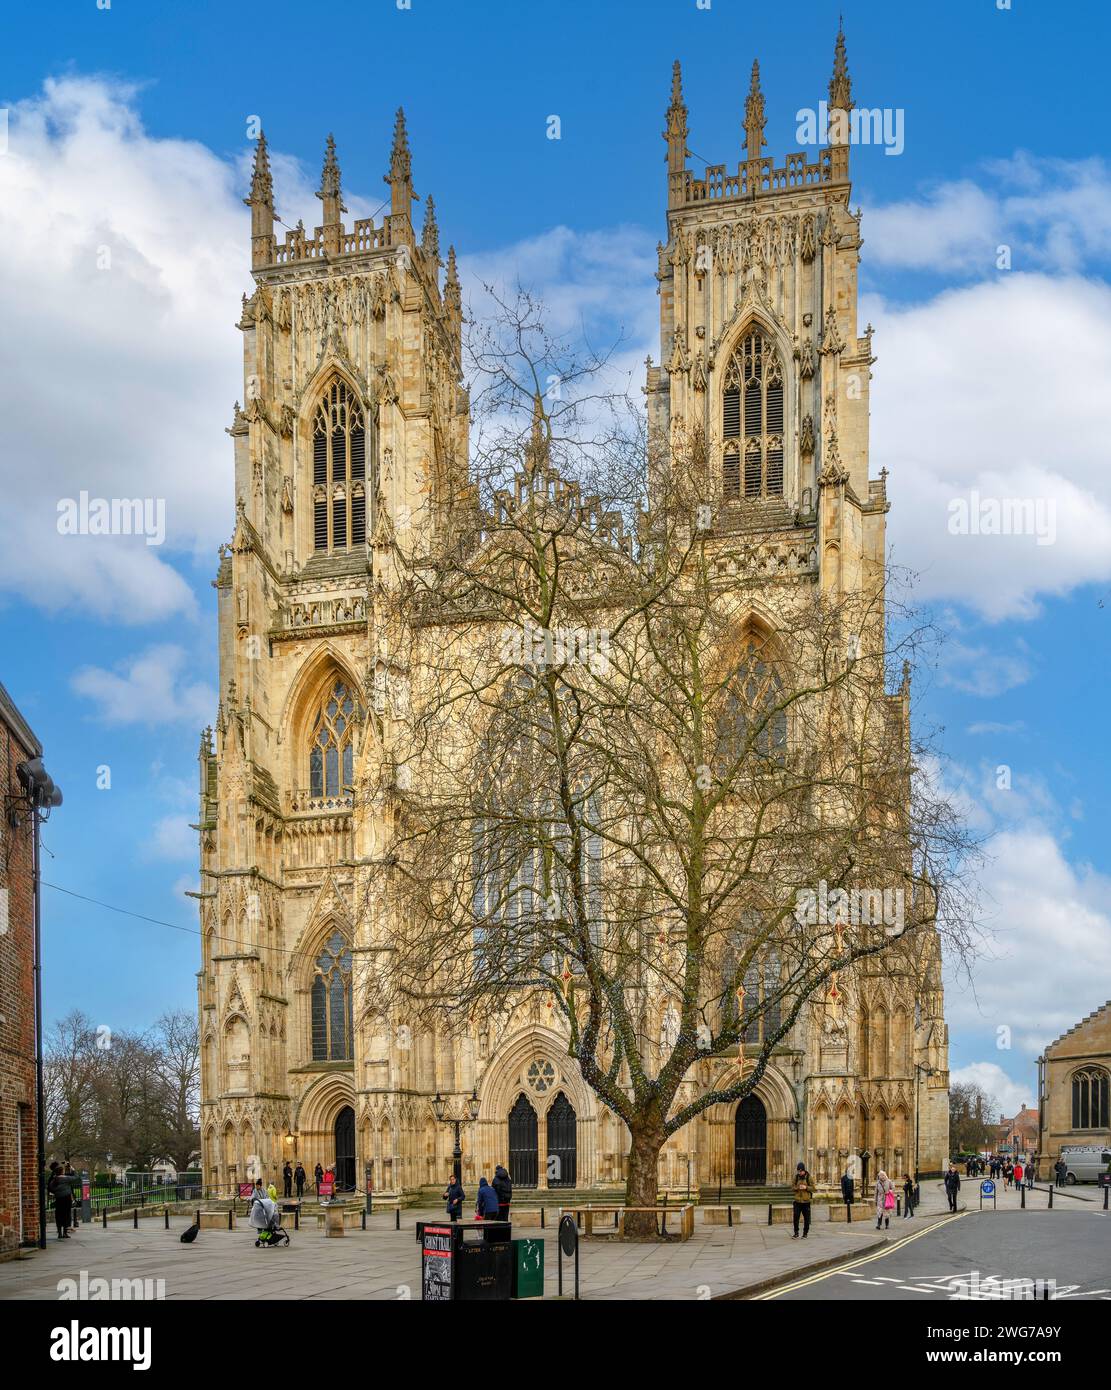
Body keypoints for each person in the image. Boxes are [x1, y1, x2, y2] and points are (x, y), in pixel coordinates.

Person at [48, 1164, 73, 1240]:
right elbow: (76, 1177)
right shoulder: (66, 1179)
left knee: (59, 1216)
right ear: (62, 1172)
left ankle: (59, 1233)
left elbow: (50, 1187)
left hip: (59, 1199)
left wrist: (56, 1191)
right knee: (66, 1215)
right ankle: (65, 1232)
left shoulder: (54, 1179)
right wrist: (72, 1169)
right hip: (66, 1199)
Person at [792, 1163, 813, 1239]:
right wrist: (797, 1187)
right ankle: (796, 1233)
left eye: (801, 1171)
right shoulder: (796, 1177)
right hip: (797, 1201)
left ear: (804, 1170)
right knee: (795, 1218)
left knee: (806, 1219)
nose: (800, 1172)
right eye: (798, 1171)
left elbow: (813, 1188)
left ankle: (805, 1233)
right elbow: (792, 1187)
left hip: (806, 1201)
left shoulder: (808, 1177)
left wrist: (806, 1187)